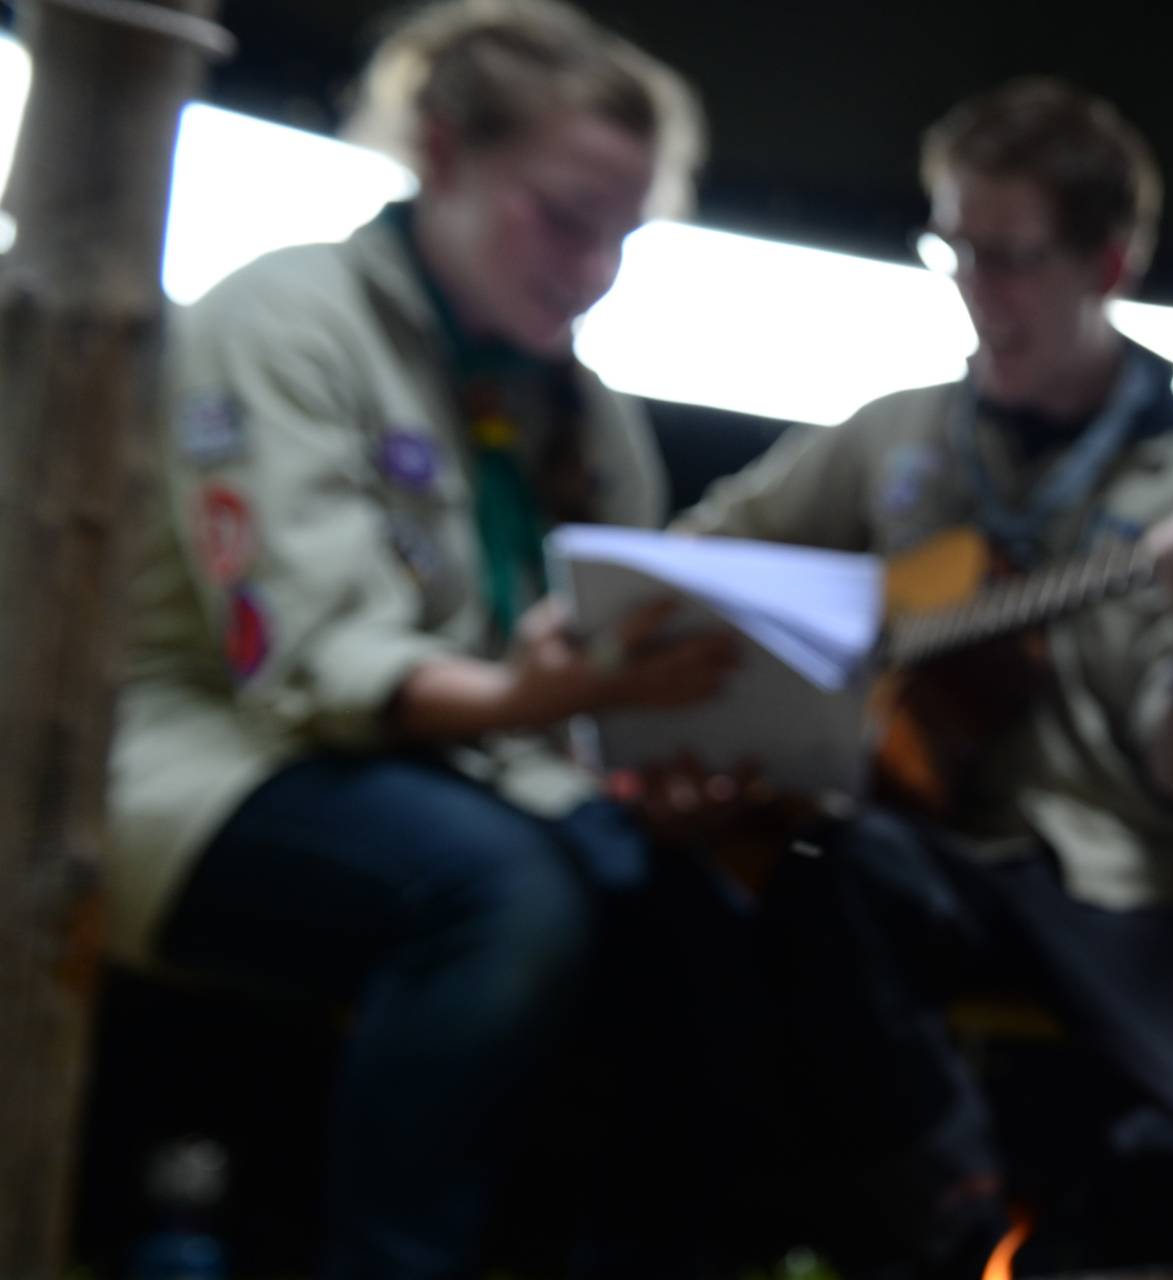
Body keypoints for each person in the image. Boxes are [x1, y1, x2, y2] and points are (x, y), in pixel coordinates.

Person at [104, 3, 722, 1275]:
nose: (593, 268)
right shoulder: (288, 317)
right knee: (497, 892)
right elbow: (311, 667)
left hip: (473, 773)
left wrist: (661, 752)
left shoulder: (581, 409)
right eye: (563, 217)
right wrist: (530, 701)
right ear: (442, 155)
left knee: (698, 895)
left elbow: (592, 671)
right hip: (208, 757)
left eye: (622, 235)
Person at [669, 76, 1173, 1273]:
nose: (971, 288)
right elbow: (705, 555)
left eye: (1007, 257)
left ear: (1109, 263)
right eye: (950, 245)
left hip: (1124, 878)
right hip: (930, 850)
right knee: (799, 872)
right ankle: (954, 1226)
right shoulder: (898, 433)